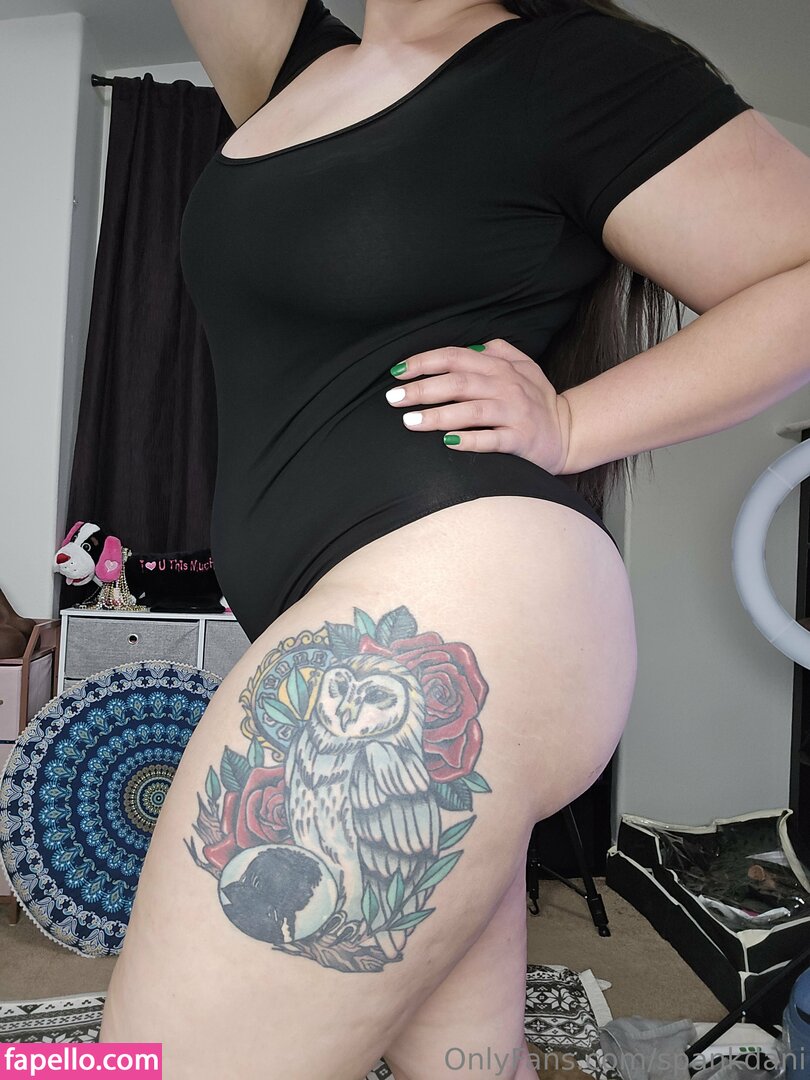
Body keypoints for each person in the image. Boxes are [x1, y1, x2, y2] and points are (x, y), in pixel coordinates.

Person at [98, 0, 810, 1076]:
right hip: (383, 626)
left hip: (450, 613)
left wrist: (572, 423)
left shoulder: (565, 64)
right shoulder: (298, 74)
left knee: (152, 1066)